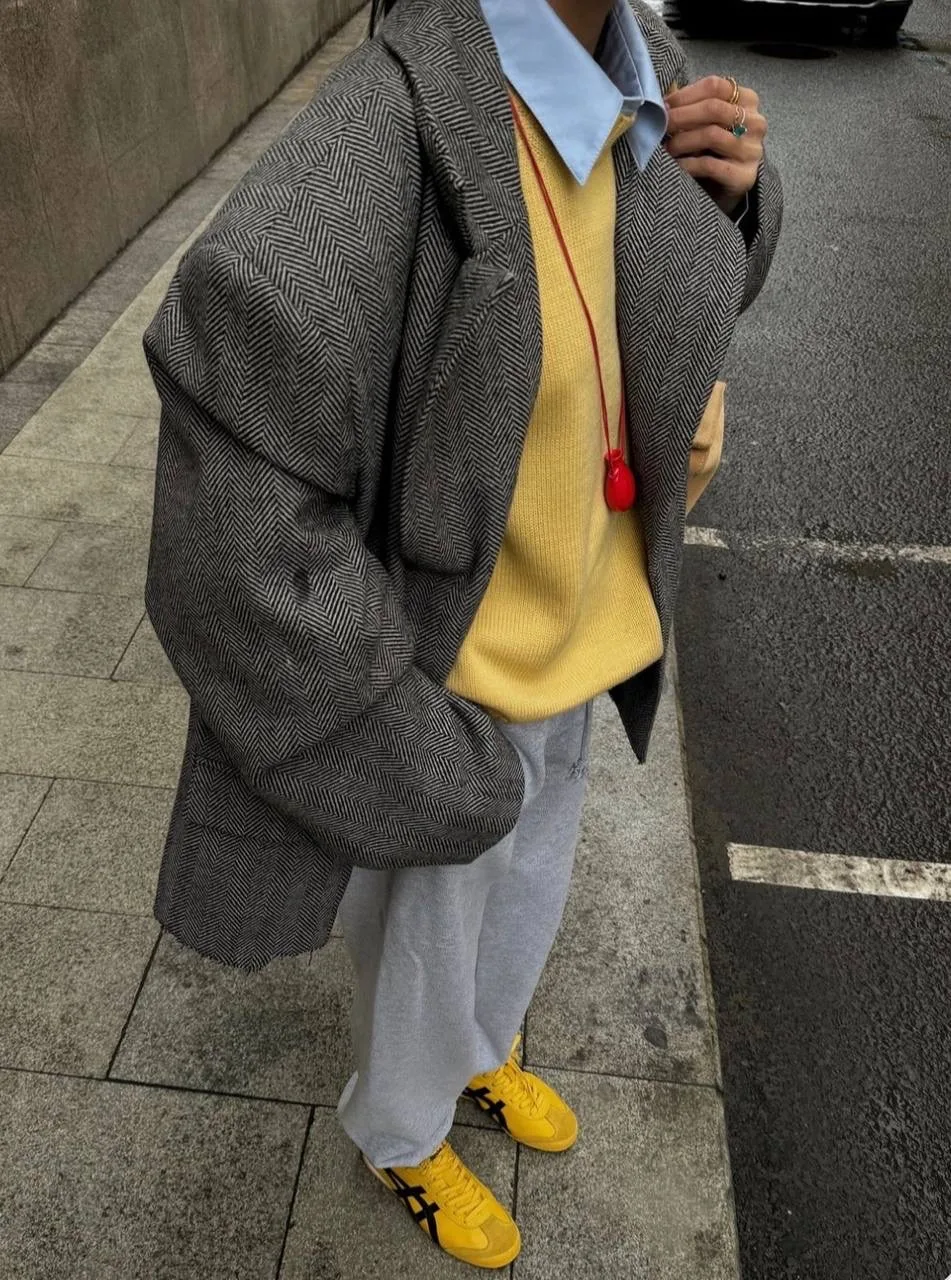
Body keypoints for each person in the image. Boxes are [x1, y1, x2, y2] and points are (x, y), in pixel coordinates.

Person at [143, 0, 781, 1268]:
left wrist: (735, 204)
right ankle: (401, 1128)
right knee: (428, 938)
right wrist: (388, 732)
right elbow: (231, 515)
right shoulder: (385, 129)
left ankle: (482, 1049)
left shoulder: (643, 68)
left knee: (527, 889)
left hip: (587, 625)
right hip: (458, 674)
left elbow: (674, 290)